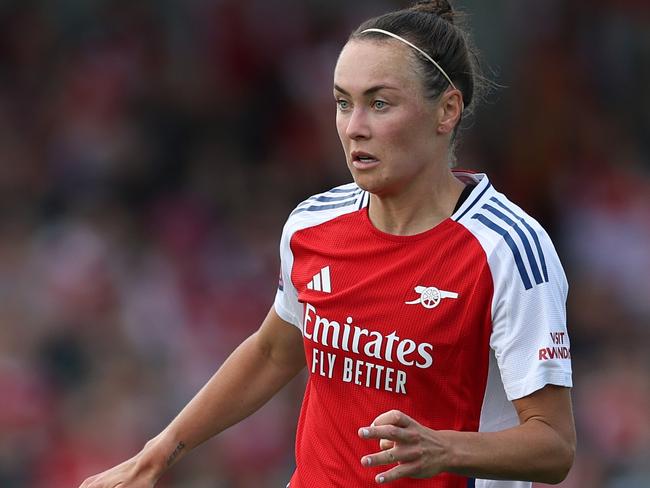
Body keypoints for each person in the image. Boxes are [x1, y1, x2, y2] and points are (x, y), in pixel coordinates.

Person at [79, 1, 575, 487]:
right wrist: (155, 457)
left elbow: (553, 445)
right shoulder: (313, 223)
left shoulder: (509, 250)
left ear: (446, 110)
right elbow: (274, 351)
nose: (353, 127)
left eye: (379, 103)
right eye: (343, 102)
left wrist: (444, 448)